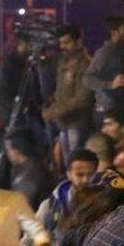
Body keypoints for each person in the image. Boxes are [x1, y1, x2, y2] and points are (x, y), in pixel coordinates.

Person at [43, 25, 94, 163]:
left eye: (67, 42)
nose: (63, 46)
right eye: (61, 43)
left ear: (78, 42)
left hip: (77, 123)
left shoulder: (85, 64)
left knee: (76, 162)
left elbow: (83, 98)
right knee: (67, 164)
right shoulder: (63, 62)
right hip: (63, 123)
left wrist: (54, 111)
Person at [83, 16, 124, 120]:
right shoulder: (105, 52)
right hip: (107, 110)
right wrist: (110, 85)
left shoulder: (120, 50)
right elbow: (87, 79)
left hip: (118, 109)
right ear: (114, 32)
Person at [5, 129, 54, 211]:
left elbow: (24, 203)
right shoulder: (20, 169)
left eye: (8, 149)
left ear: (17, 149)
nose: (8, 153)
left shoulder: (32, 172)